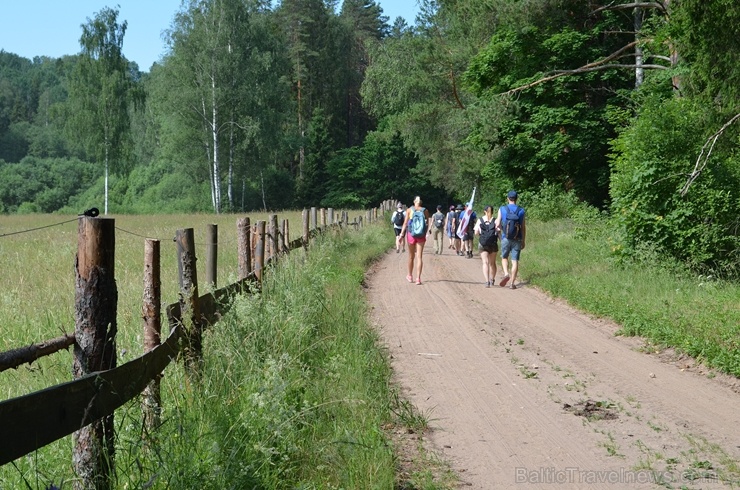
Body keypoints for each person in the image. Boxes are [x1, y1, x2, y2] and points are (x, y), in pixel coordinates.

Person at [495, 191, 526, 289]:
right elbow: (523, 227)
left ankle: (506, 273)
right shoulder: (521, 211)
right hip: (517, 238)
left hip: (505, 238)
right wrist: (523, 240)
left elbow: (497, 224)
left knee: (504, 257)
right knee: (515, 260)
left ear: (508, 198)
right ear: (516, 199)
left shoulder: (502, 209)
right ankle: (512, 283)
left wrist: (499, 233)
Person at [400, 196, 431, 285]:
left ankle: (410, 276)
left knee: (411, 256)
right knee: (419, 257)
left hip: (411, 234)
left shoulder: (409, 210)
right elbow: (427, 223)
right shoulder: (425, 210)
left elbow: (405, 223)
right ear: (421, 202)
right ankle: (418, 278)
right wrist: (424, 233)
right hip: (421, 235)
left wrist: (401, 234)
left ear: (414, 201)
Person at [474, 205, 498, 287]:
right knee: (492, 263)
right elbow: (499, 231)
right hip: (493, 243)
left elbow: (476, 232)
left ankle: (487, 281)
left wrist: (482, 235)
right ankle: (492, 279)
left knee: (485, 262)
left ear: (484, 211)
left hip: (483, 243)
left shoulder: (480, 220)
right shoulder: (495, 220)